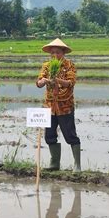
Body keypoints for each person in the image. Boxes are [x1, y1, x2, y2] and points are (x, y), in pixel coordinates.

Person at [36, 38, 81, 172]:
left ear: (63, 53)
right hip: (49, 106)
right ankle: (54, 163)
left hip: (65, 105)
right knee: (49, 135)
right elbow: (38, 83)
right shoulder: (47, 66)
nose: (55, 55)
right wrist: (43, 81)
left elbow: (70, 83)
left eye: (58, 52)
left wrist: (57, 80)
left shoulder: (69, 65)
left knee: (70, 135)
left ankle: (77, 165)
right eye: (52, 53)